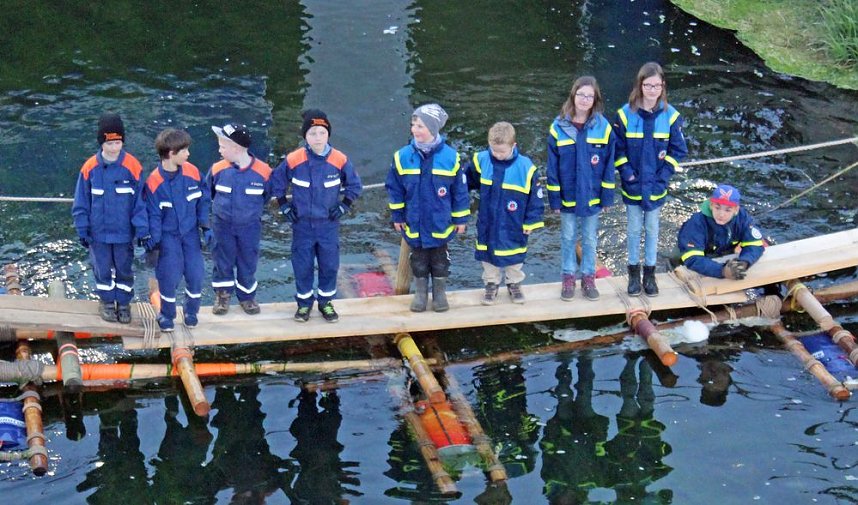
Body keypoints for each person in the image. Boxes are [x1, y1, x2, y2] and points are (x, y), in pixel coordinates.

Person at [273, 109, 362, 323]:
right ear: (305, 136)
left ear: (328, 134)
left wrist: (344, 206)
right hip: (302, 225)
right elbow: (276, 182)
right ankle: (304, 304)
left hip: (328, 226)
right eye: (312, 133)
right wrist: (284, 205)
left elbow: (354, 185)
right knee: (302, 265)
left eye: (322, 133)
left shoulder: (339, 159)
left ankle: (325, 303)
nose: (318, 138)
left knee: (329, 265)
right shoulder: (294, 160)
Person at [385, 103, 470, 312]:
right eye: (413, 124)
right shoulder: (402, 156)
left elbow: (459, 191)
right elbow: (395, 189)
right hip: (414, 221)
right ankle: (420, 293)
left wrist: (460, 219)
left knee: (440, 260)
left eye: (420, 126)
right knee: (419, 261)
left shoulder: (451, 157)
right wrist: (397, 215)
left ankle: (439, 293)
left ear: (433, 129)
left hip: (440, 222)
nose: (415, 130)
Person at [614, 62, 688, 297]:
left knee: (653, 229)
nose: (652, 89)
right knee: (634, 230)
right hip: (633, 186)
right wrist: (628, 174)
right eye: (648, 85)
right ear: (640, 85)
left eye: (657, 85)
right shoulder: (625, 115)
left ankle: (650, 274)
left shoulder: (671, 116)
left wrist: (663, 176)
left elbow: (678, 150)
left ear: (662, 86)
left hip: (656, 186)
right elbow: (617, 150)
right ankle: (633, 274)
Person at [72, 113, 148, 324]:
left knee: (124, 269)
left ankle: (123, 303)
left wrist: (142, 229)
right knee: (102, 269)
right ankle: (106, 302)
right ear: (101, 142)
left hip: (124, 234)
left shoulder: (133, 167)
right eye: (110, 143)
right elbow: (81, 202)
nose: (115, 147)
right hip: (98, 234)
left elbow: (140, 203)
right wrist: (82, 228)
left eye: (118, 142)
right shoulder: (89, 169)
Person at [546, 76, 616, 301]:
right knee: (567, 237)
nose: (584, 100)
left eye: (589, 96)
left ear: (595, 99)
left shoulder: (604, 127)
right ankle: (568, 277)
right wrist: (554, 199)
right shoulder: (558, 127)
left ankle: (588, 277)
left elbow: (608, 165)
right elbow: (552, 167)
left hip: (593, 195)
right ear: (573, 96)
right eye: (581, 95)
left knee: (589, 238)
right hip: (567, 195)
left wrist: (606, 197)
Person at [465, 121, 544, 304]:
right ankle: (491, 284)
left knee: (515, 253)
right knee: (487, 253)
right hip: (488, 220)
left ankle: (514, 284)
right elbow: (467, 181)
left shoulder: (526, 167)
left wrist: (531, 222)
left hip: (514, 221)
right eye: (494, 150)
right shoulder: (481, 160)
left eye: (502, 151)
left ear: (513, 146)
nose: (498, 155)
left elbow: (535, 198)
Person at [143, 128, 212, 331]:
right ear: (172, 153)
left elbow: (203, 199)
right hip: (168, 237)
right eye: (184, 151)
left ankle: (191, 313)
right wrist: (153, 243)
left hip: (190, 234)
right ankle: (167, 315)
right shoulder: (154, 182)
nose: (188, 154)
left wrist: (206, 226)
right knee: (168, 276)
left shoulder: (192, 172)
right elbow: (153, 215)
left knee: (196, 274)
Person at [206, 123, 272, 315]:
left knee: (248, 260)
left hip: (249, 227)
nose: (219, 150)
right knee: (222, 260)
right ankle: (222, 295)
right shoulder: (217, 169)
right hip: (222, 225)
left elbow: (266, 196)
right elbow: (208, 192)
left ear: (236, 148)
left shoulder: (264, 172)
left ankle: (247, 297)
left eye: (222, 146)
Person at [676, 184, 765, 279]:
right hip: (695, 258)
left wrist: (744, 262)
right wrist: (721, 271)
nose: (721, 214)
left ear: (736, 210)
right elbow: (692, 258)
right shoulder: (696, 223)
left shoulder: (742, 218)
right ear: (711, 205)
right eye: (717, 208)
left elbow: (755, 244)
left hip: (723, 254)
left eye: (728, 210)